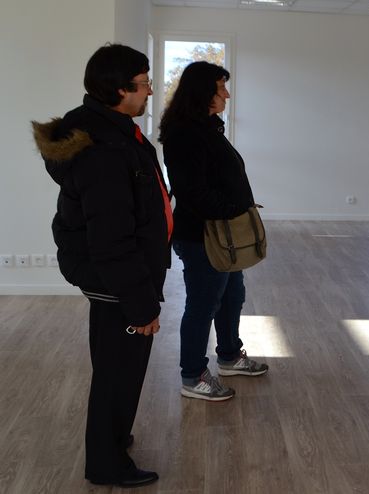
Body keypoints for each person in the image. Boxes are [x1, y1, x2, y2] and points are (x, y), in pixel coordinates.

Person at [32, 44, 171, 487]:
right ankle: (105, 464)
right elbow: (111, 238)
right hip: (118, 275)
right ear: (119, 89)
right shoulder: (105, 148)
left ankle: (112, 437)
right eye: (145, 83)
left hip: (117, 270)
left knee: (117, 363)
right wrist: (141, 303)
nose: (150, 90)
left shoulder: (110, 127)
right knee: (119, 369)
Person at [159, 61, 268, 402]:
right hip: (202, 235)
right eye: (221, 89)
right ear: (202, 92)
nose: (227, 95)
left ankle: (230, 356)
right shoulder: (184, 133)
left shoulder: (205, 127)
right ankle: (193, 375)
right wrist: (233, 209)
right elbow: (192, 191)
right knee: (203, 304)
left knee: (232, 295)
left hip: (222, 234)